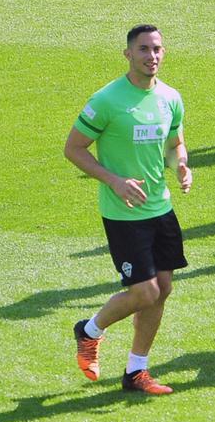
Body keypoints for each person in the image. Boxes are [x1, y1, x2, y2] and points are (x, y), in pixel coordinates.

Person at [65, 24, 192, 395]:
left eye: (157, 49)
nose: (151, 56)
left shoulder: (170, 98)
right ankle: (89, 331)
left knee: (163, 287)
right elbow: (73, 149)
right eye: (143, 50)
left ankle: (136, 371)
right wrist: (114, 180)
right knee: (144, 291)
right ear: (128, 55)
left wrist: (181, 165)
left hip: (160, 208)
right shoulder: (107, 100)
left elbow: (174, 145)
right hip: (123, 213)